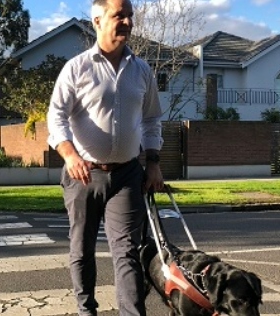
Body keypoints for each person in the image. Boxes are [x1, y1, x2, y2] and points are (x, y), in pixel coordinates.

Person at [46, 0, 165, 315]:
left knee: (128, 253)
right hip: (83, 175)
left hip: (127, 175)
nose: (126, 21)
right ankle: (87, 311)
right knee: (82, 250)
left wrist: (153, 163)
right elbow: (56, 118)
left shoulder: (141, 70)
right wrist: (70, 155)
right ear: (97, 21)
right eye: (118, 15)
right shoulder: (77, 68)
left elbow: (152, 119)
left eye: (130, 16)